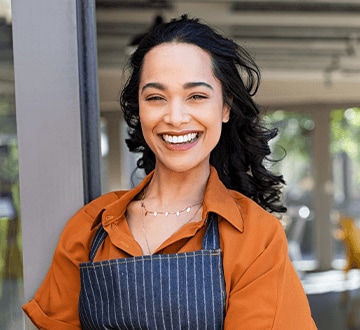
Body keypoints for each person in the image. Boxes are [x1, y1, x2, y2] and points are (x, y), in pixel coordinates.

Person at [23, 15, 317, 329]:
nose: (175, 117)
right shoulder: (90, 227)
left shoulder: (254, 236)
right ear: (139, 107)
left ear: (225, 107)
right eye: (155, 98)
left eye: (197, 96)